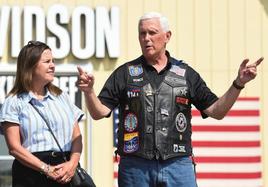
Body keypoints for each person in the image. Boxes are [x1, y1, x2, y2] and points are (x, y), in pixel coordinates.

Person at [76, 12, 263, 187]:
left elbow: (217, 111)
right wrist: (89, 91)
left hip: (178, 164)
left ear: (167, 36)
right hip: (135, 166)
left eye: (152, 32)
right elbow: (99, 112)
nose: (146, 38)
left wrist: (238, 83)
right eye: (142, 33)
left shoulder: (186, 74)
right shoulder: (125, 73)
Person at [0, 41, 84, 187]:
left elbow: (77, 137)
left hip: (66, 173)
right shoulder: (13, 102)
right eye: (47, 62)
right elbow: (14, 147)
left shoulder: (61, 97)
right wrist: (47, 169)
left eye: (53, 61)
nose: (53, 65)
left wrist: (72, 164)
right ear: (30, 66)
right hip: (30, 175)